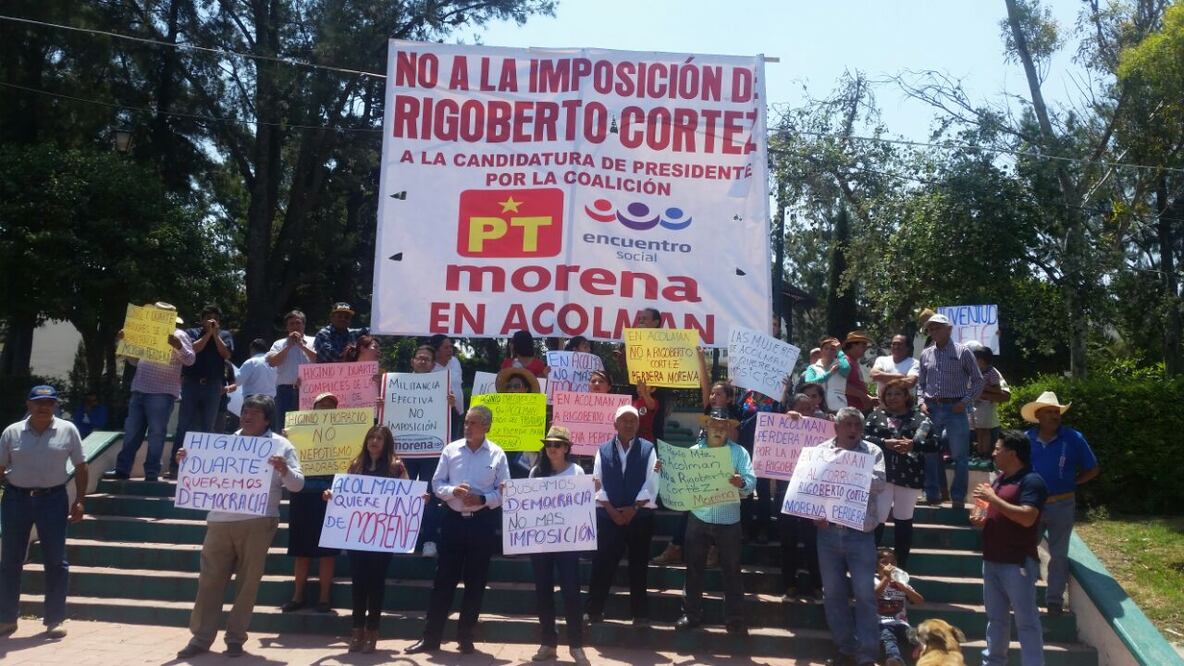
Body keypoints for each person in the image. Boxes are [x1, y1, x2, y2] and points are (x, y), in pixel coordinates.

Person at [175, 394, 304, 658]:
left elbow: (298, 485)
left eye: (254, 414)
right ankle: (201, 638)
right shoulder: (223, 444)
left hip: (258, 521)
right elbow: (199, 477)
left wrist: (284, 471)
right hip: (219, 522)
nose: (246, 417)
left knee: (248, 583)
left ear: (267, 419)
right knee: (209, 582)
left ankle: (235, 638)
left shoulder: (281, 446)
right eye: (245, 412)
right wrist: (187, 461)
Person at [405, 405, 510, 656]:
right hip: (452, 521)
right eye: (466, 422)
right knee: (443, 581)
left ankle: (466, 638)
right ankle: (430, 638)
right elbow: (436, 483)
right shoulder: (451, 450)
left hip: (482, 524)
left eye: (473, 423)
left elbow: (506, 490)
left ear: (486, 426)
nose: (467, 427)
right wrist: (453, 491)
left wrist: (483, 499)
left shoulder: (497, 454)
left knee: (475, 583)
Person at [0, 385, 88, 639]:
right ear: (29, 405)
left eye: (49, 402)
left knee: (56, 561)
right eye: (39, 403)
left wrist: (79, 501)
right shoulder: (11, 432)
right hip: (16, 499)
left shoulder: (67, 430)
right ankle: (6, 618)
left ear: (55, 405)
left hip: (54, 499)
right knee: (10, 561)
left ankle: (55, 619)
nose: (44, 407)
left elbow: (81, 467)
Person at [325, 425, 408, 653]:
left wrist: (420, 498)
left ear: (386, 442)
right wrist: (332, 495)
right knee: (358, 584)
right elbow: (344, 493)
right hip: (357, 534)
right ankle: (356, 631)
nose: (374, 441)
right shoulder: (355, 465)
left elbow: (406, 497)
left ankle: (373, 632)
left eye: (379, 438)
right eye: (371, 437)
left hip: (382, 536)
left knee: (376, 584)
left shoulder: (396, 467)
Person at [970, 430, 1048, 666]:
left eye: (997, 448)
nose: (993, 452)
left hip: (1017, 563)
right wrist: (981, 517)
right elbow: (993, 511)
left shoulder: (1032, 481)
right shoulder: (1000, 479)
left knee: (1026, 621)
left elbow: (1027, 517)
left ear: (1012, 453)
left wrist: (993, 499)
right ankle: (993, 662)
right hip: (992, 559)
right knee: (996, 619)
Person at [675, 409, 755, 636]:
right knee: (693, 568)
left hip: (729, 519)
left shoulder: (739, 453)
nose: (719, 429)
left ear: (729, 428)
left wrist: (742, 483)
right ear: (707, 426)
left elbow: (751, 481)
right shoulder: (692, 453)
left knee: (732, 570)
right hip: (698, 516)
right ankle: (691, 614)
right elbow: (680, 482)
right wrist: (663, 471)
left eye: (724, 425)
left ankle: (735, 618)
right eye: (715, 424)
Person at [815, 407, 886, 666]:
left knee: (865, 594)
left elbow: (879, 483)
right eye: (848, 424)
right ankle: (845, 648)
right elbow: (810, 486)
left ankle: (867, 654)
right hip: (827, 534)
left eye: (857, 424)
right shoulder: (821, 451)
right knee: (833, 593)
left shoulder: (873, 452)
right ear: (837, 427)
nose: (853, 429)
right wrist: (814, 511)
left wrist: (848, 469)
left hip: (861, 534)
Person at [1022, 391, 1098, 617]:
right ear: (1038, 415)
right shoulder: (1025, 440)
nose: (1055, 416)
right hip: (1032, 505)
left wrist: (1073, 483)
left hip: (1063, 503)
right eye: (1050, 412)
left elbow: (1092, 468)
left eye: (1057, 412)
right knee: (1025, 550)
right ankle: (1024, 597)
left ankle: (1054, 601)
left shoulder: (1074, 438)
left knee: (1059, 555)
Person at [585, 404, 659, 626]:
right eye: (624, 420)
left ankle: (640, 614)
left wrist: (633, 509)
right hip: (609, 517)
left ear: (638, 424)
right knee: (602, 564)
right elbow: (597, 482)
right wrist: (611, 510)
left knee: (639, 566)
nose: (629, 424)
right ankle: (594, 610)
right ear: (615, 424)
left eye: (633, 421)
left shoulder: (649, 449)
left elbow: (652, 482)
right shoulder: (602, 450)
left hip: (639, 518)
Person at [525, 426, 590, 665]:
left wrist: (592, 490)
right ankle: (548, 643)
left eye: (557, 444)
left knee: (571, 592)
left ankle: (576, 645)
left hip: (568, 542)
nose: (552, 448)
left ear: (566, 448)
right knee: (543, 591)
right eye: (549, 444)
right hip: (541, 542)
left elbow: (583, 505)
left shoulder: (577, 471)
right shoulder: (535, 471)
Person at [112, 303, 196, 481]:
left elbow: (190, 360)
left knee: (156, 433)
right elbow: (135, 362)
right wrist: (124, 342)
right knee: (132, 431)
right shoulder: (145, 333)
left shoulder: (180, 335)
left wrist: (178, 346)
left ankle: (151, 473)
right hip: (139, 389)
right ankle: (122, 469)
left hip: (162, 392)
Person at [863, 378, 937, 567]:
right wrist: (884, 443)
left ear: (906, 396)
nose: (893, 397)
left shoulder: (921, 418)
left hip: (909, 476)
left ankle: (900, 566)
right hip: (881, 475)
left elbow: (936, 444)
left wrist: (914, 444)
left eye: (897, 393)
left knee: (904, 518)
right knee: (878, 517)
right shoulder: (875, 416)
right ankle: (870, 563)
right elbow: (863, 439)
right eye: (889, 394)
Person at [916, 313, 984, 509]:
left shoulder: (963, 352)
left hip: (955, 407)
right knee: (929, 452)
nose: (934, 331)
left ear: (949, 329)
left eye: (938, 327)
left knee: (960, 455)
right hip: (931, 408)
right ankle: (932, 493)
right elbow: (921, 383)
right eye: (931, 328)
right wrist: (921, 402)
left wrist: (965, 402)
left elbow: (978, 380)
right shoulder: (926, 353)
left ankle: (958, 497)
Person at [281, 392, 340, 615]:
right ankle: (298, 595)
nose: (325, 409)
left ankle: (324, 598)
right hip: (302, 493)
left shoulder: (345, 435)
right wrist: (288, 437)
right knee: (301, 550)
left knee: (328, 551)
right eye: (322, 405)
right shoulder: (296, 433)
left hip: (329, 496)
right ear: (313, 408)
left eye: (330, 406)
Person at [408, 345, 452, 557]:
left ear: (433, 364)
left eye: (427, 359)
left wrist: (450, 404)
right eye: (420, 358)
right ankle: (403, 536)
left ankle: (429, 540)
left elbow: (451, 415)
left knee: (430, 496)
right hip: (404, 450)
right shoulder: (396, 384)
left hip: (430, 450)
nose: (423, 361)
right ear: (413, 361)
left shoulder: (441, 386)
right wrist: (383, 402)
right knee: (402, 493)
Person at [266, 309, 317, 430]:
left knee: (308, 428)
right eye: (291, 324)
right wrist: (288, 347)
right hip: (286, 392)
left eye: (298, 323)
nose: (295, 326)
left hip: (310, 391)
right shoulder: (279, 344)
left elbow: (319, 360)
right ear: (287, 327)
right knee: (284, 428)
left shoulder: (314, 341)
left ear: (303, 325)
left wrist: (302, 346)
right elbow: (272, 362)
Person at [874, 548, 924, 666]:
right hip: (881, 622)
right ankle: (895, 659)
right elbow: (872, 597)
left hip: (901, 622)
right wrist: (886, 578)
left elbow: (919, 601)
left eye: (893, 562)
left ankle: (922, 651)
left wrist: (904, 588)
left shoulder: (901, 582)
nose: (889, 566)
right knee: (888, 637)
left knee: (914, 635)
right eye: (884, 562)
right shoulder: (873, 581)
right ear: (876, 567)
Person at [968, 342, 1010, 458]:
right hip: (968, 416)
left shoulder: (992, 372)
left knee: (984, 431)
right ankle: (978, 452)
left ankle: (984, 454)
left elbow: (1005, 395)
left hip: (985, 409)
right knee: (977, 431)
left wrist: (983, 393)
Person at [429, 334, 465, 440]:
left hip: (457, 413)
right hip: (437, 416)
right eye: (446, 347)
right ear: (436, 350)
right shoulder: (429, 367)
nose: (450, 350)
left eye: (451, 347)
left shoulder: (455, 362)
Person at [804, 337, 850, 412]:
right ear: (821, 351)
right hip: (817, 408)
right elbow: (809, 384)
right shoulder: (812, 368)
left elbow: (846, 369)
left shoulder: (841, 365)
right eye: (826, 348)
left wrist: (840, 351)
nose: (829, 351)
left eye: (832, 349)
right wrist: (829, 374)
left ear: (836, 352)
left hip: (838, 408)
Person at [870, 334, 918, 398]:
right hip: (882, 404)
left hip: (903, 406)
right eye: (893, 344)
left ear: (907, 347)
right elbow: (874, 375)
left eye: (899, 344)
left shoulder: (914, 363)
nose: (896, 346)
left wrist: (882, 377)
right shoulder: (881, 360)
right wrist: (900, 376)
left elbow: (910, 383)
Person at [842, 331, 874, 412]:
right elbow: (841, 385)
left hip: (858, 410)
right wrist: (862, 396)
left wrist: (869, 398)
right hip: (848, 411)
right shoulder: (845, 362)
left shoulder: (854, 362)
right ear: (853, 345)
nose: (865, 348)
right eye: (863, 345)